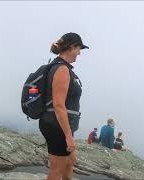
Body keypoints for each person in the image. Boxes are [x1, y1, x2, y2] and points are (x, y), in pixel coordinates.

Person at [39, 32, 88, 180]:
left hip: (59, 124)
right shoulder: (61, 69)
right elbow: (59, 104)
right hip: (56, 125)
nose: (79, 53)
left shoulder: (61, 67)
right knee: (56, 170)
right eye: (79, 49)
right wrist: (68, 136)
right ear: (71, 46)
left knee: (70, 161)